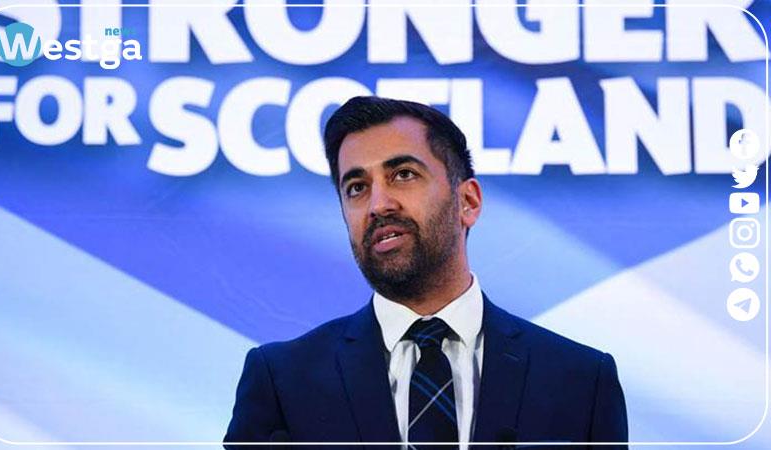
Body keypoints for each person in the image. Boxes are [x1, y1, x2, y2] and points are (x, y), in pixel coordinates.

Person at [224, 96, 628, 449]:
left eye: (403, 174)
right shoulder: (282, 382)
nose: (378, 205)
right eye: (357, 187)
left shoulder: (580, 381)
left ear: (468, 201)